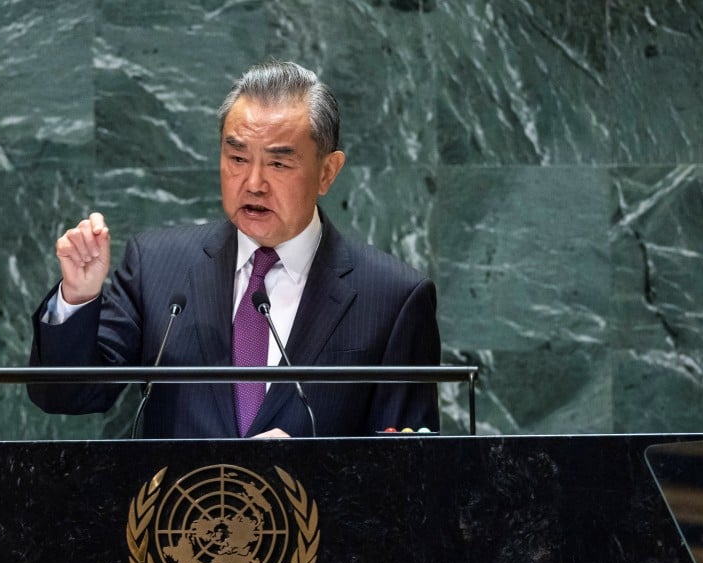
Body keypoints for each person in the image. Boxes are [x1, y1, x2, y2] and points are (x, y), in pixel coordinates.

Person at [28, 60, 440, 438]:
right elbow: (67, 395)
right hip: (174, 517)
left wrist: (319, 471)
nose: (254, 182)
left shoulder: (392, 298)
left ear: (327, 172)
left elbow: (407, 477)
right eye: (237, 157)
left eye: (279, 164)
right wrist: (78, 297)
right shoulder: (157, 267)